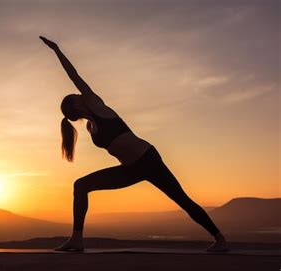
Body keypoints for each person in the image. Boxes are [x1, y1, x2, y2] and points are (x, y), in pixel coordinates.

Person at [39, 36, 229, 253]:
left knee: (182, 200)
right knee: (81, 185)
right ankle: (77, 239)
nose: (78, 92)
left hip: (149, 160)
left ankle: (220, 239)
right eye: (75, 95)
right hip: (130, 169)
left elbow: (75, 76)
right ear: (74, 106)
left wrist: (57, 50)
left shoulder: (97, 106)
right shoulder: (90, 127)